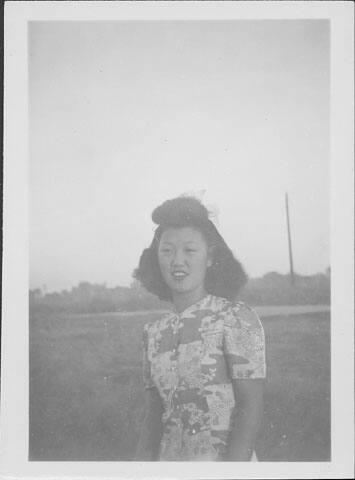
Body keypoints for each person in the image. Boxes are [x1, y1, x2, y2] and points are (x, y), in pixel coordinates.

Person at [134, 196, 266, 461]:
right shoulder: (153, 333)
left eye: (190, 250)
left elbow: (250, 408)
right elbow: (152, 421)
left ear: (210, 257)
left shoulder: (236, 317)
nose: (177, 261)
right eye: (167, 250)